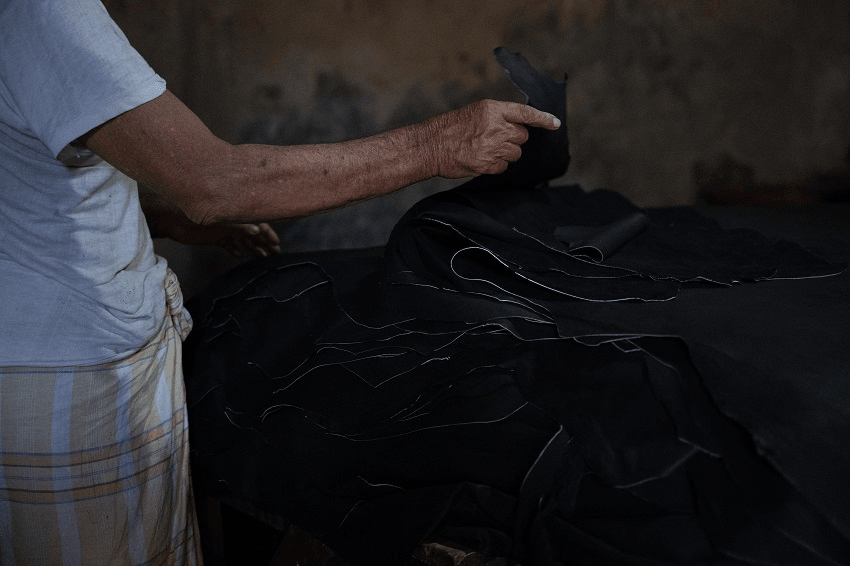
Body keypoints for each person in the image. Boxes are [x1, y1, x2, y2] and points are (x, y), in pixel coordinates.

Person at [0, 1, 560, 564]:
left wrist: (155, 217)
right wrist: (437, 144)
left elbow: (22, 176)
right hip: (70, 379)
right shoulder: (43, 12)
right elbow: (212, 183)